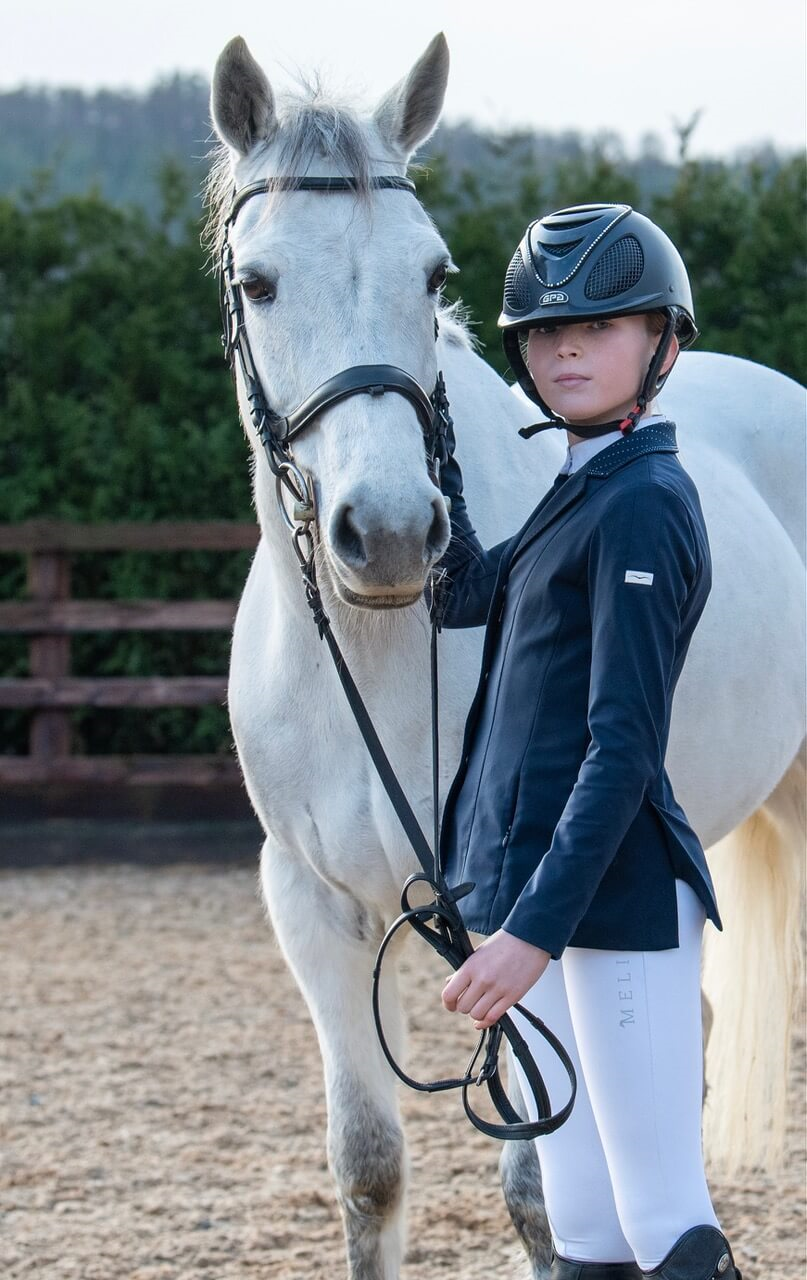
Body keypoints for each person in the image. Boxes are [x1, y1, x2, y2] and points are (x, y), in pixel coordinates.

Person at [436, 204, 742, 1280]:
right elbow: (467, 589)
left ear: (662, 341)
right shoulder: (581, 490)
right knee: (585, 1230)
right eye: (547, 331)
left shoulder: (647, 502)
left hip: (615, 903)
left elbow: (622, 749)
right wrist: (433, 444)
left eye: (602, 325)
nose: (568, 345)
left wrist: (526, 935)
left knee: (665, 1220)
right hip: (541, 905)